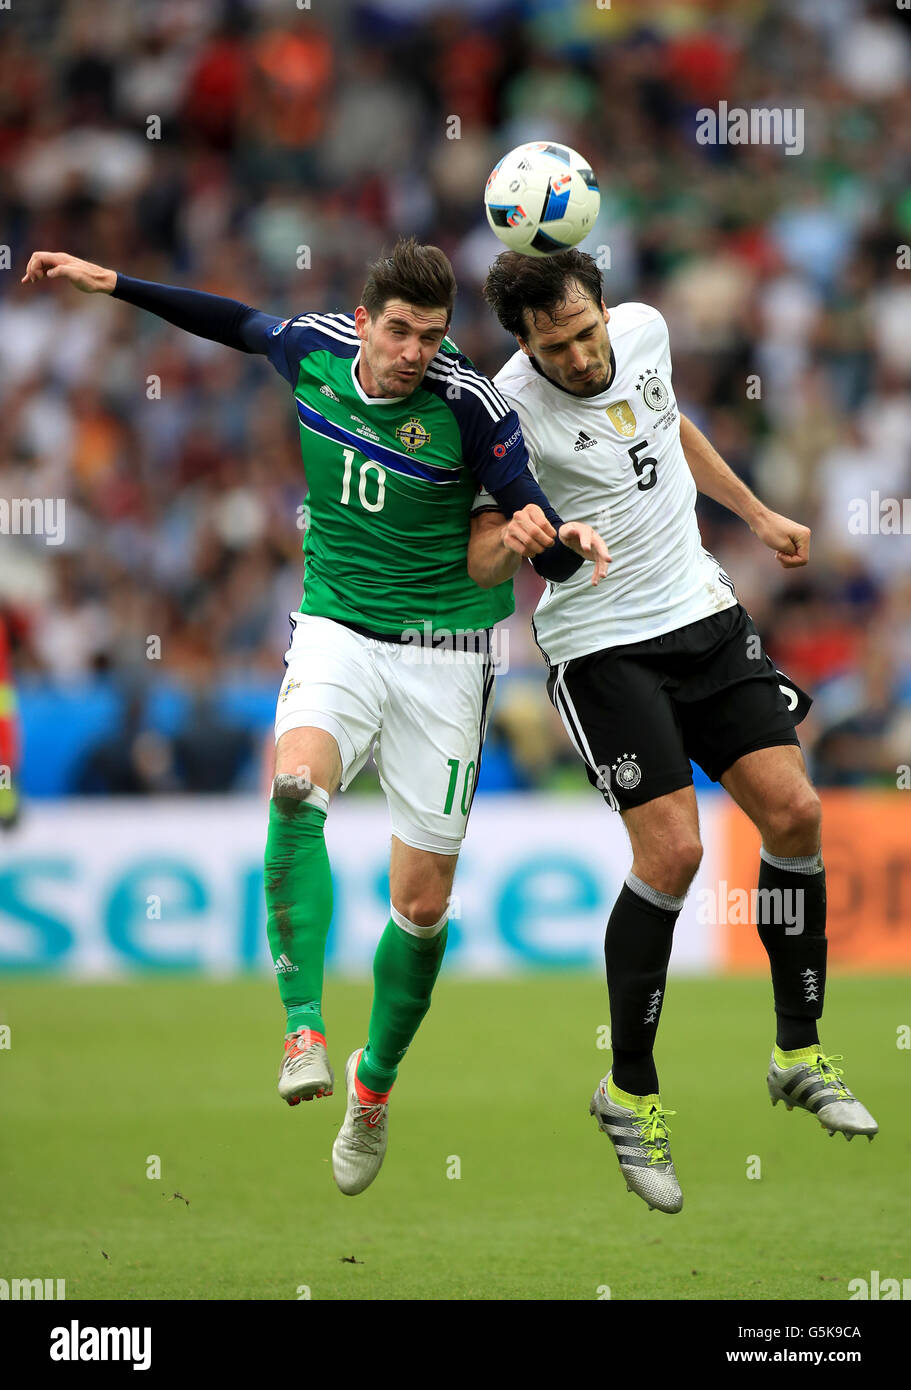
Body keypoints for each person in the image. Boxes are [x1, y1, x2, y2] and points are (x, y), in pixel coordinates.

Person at [23, 239, 608, 1197]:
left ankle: (372, 1090)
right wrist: (113, 282)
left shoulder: (474, 408)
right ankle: (303, 1029)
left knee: (420, 909)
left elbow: (519, 534)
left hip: (446, 655)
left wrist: (551, 540)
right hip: (337, 624)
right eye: (399, 330)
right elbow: (230, 319)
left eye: (430, 334)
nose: (414, 350)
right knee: (294, 785)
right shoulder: (315, 348)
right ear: (367, 318)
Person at [473, 248, 877, 1215]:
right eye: (554, 345)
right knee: (674, 851)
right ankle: (631, 1093)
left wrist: (753, 511)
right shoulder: (504, 408)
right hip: (602, 646)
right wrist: (528, 540)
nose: (578, 355)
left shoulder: (646, 332)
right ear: (524, 345)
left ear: (606, 310)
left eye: (585, 331)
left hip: (702, 614)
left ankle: (798, 1051)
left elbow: (669, 424)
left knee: (794, 813)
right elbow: (482, 547)